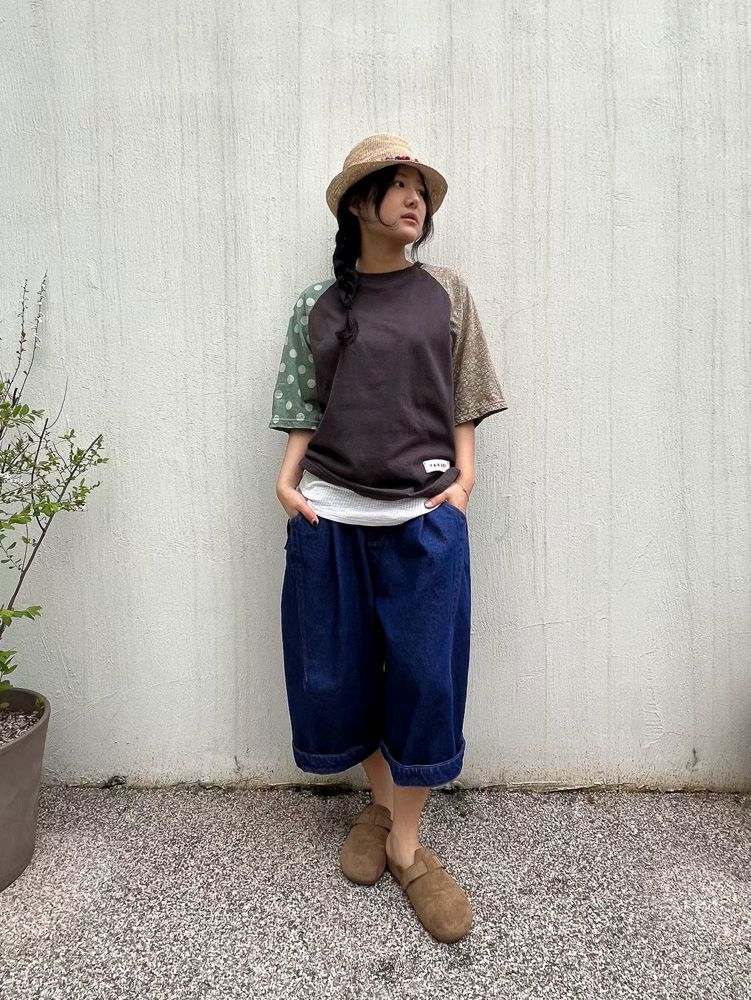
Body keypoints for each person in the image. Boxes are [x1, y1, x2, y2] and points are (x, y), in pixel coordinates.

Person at [268, 133, 508, 943]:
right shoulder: (318, 304)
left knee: (424, 682)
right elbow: (302, 405)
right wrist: (286, 482)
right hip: (328, 518)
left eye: (420, 189)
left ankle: (406, 844)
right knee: (341, 678)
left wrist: (462, 484)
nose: (416, 200)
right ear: (356, 204)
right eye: (398, 185)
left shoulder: (446, 292)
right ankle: (377, 805)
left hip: (421, 520)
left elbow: (466, 394)